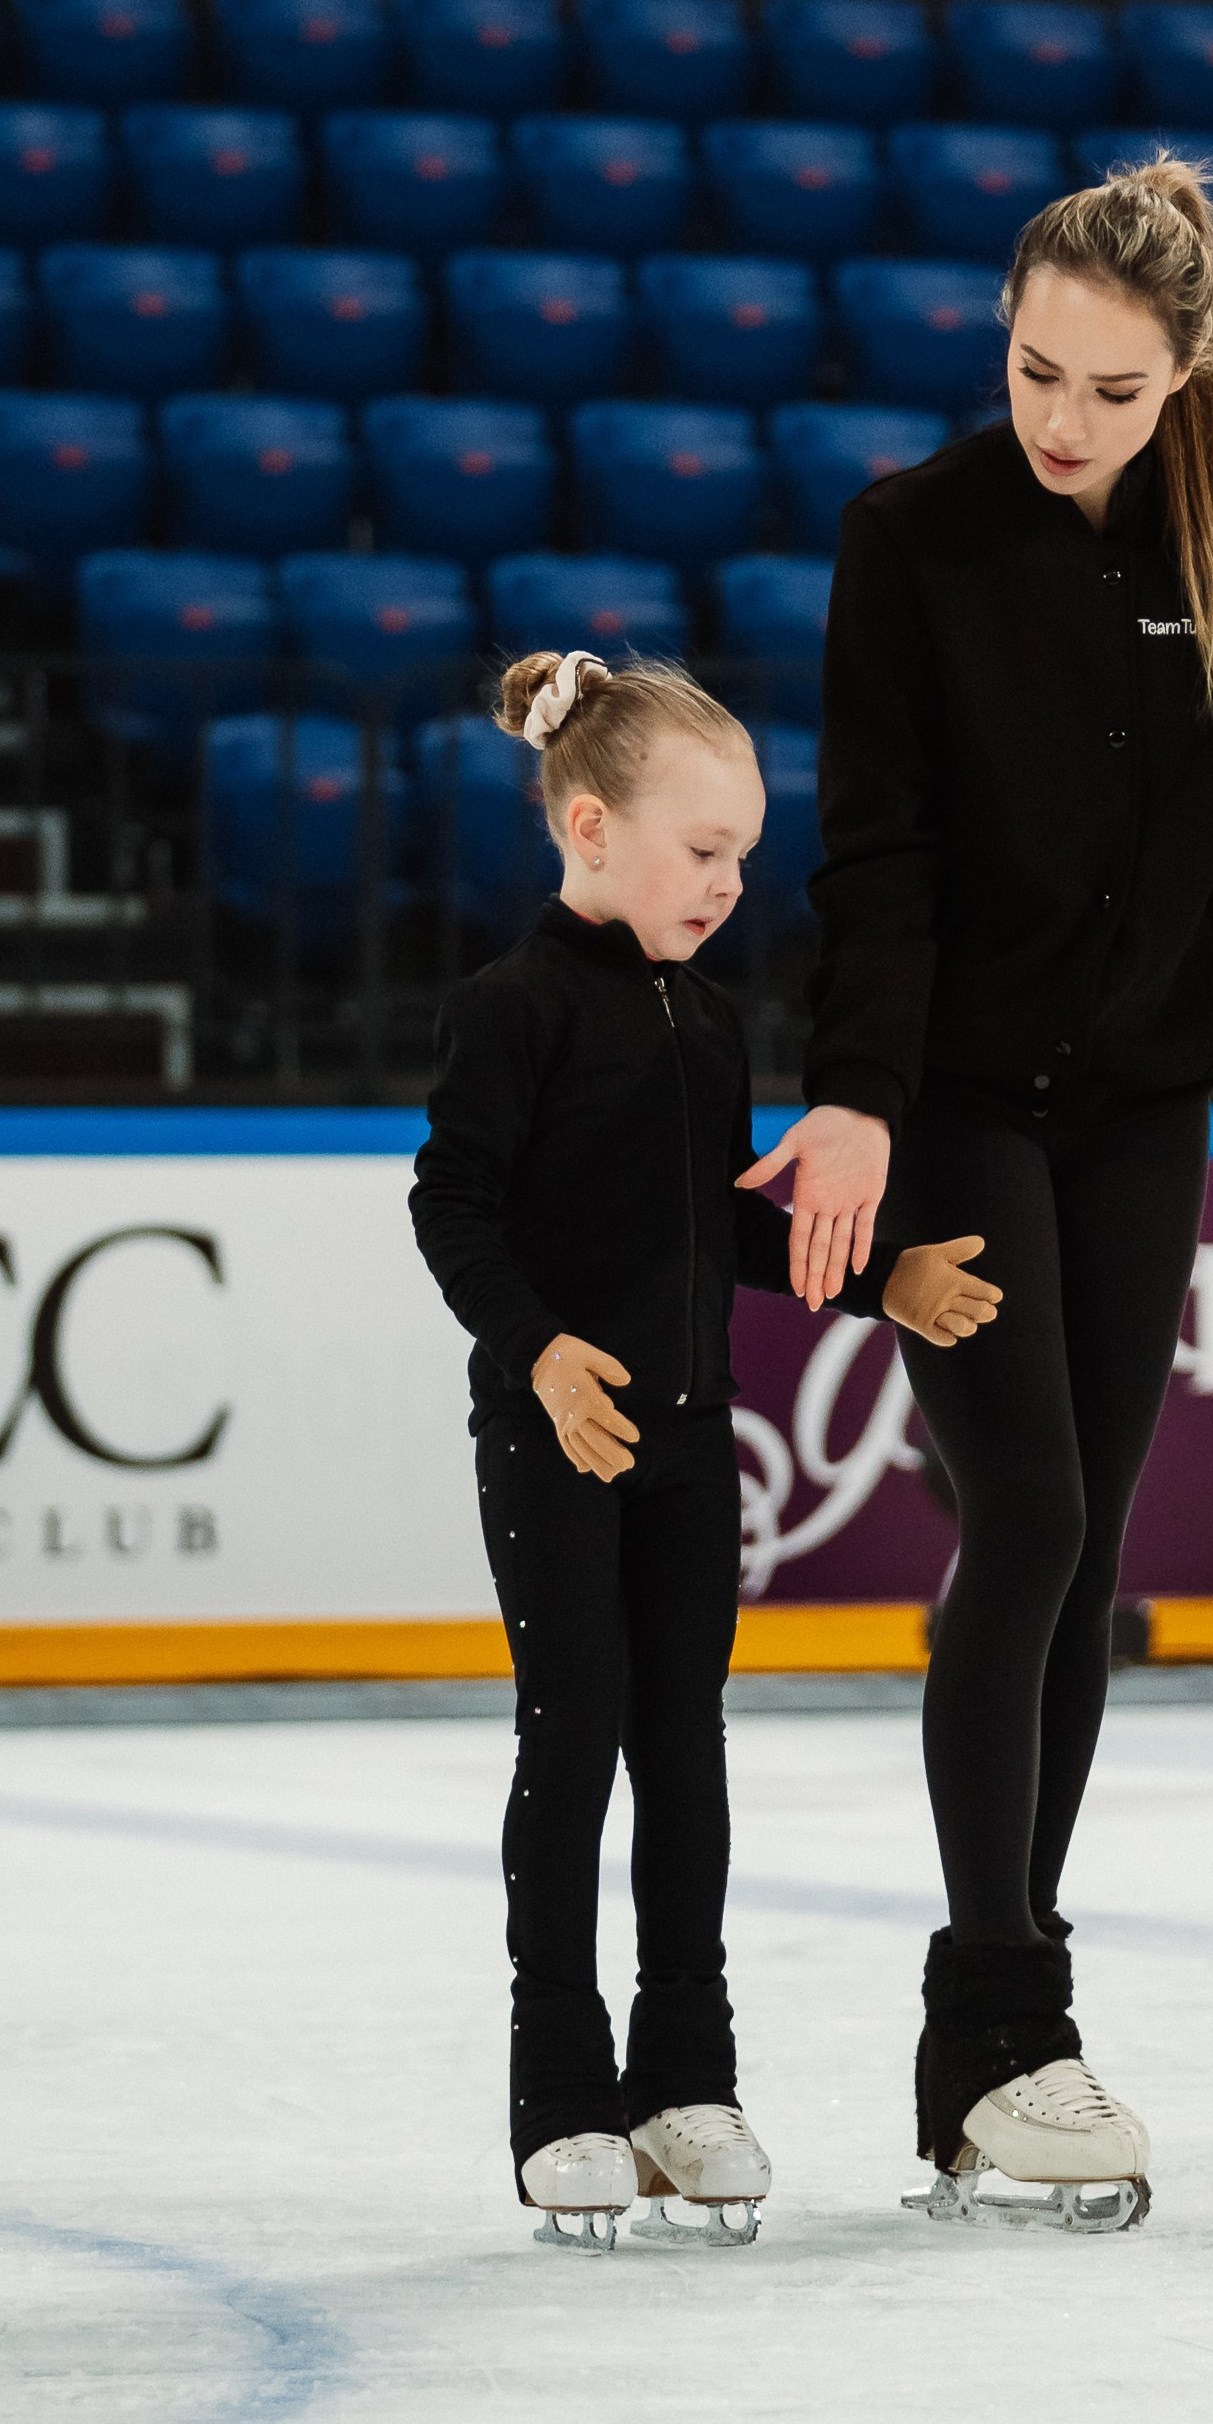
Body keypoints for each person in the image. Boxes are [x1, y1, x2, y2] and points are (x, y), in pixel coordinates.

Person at [738, 159, 1213, 2232]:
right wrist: (849, 1104)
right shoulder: (907, 541)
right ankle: (1003, 2010)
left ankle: (1001, 2044)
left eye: (1109, 384)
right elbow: (881, 859)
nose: (1062, 417)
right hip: (963, 1106)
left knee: (1083, 1547)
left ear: (1186, 374)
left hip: (1148, 1110)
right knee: (1028, 1510)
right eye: (1031, 371)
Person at [409, 650, 1001, 2251]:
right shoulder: (512, 1009)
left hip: (691, 1446)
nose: (731, 885)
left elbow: (725, 1233)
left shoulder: (709, 1020)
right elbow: (449, 1207)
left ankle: (687, 2080)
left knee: (687, 1748)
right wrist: (534, 1352)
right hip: (563, 1445)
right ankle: (560, 2097)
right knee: (578, 1736)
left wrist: (885, 1282)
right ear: (591, 829)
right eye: (704, 852)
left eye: (746, 858)